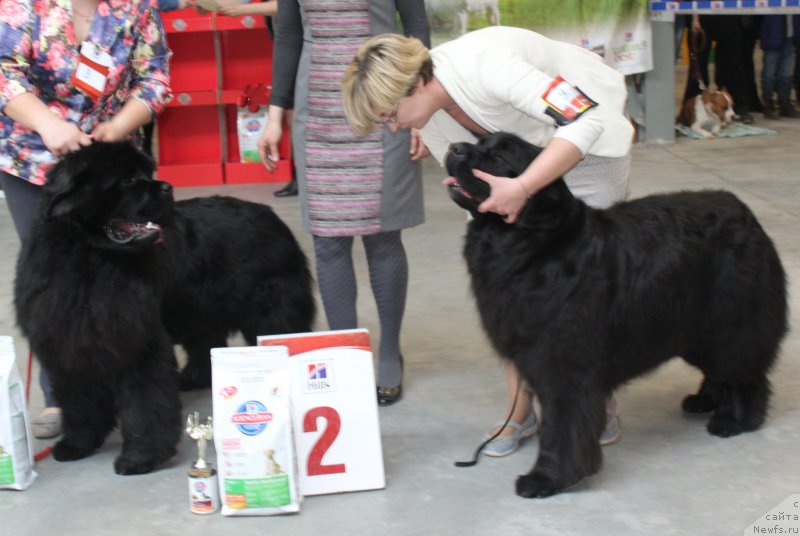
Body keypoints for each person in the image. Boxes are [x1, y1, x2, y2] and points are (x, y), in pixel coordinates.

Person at [341, 26, 631, 453]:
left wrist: (526, 186)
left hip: (590, 147)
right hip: (519, 168)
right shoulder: (430, 118)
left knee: (585, 283)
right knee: (508, 285)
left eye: (389, 114)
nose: (392, 129)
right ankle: (519, 408)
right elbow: (479, 189)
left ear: (416, 83)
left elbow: (585, 117)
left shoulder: (489, 66)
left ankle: (595, 400)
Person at [0, 0, 173, 438]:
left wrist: (118, 126)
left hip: (113, 169)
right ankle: (62, 397)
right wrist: (47, 124)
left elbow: (155, 75)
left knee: (126, 276)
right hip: (35, 161)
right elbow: (4, 74)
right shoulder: (20, 6)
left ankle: (131, 381)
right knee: (52, 284)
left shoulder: (136, 7)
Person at [258, 0, 430, 406]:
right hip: (320, 110)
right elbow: (288, 36)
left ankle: (389, 352)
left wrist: (421, 109)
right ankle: (344, 356)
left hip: (386, 102)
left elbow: (417, 26)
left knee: (383, 237)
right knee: (328, 241)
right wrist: (274, 115)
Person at [759, 15, 800, 119]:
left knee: (786, 74)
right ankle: (768, 102)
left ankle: (784, 102)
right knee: (769, 74)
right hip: (772, 35)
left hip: (790, 37)